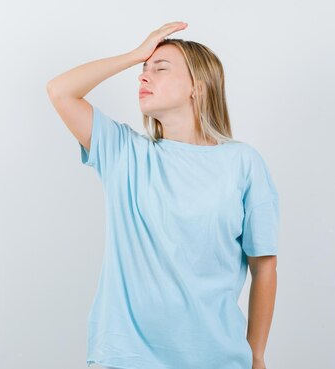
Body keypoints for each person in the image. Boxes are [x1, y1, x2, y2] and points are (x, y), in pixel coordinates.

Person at [46, 22, 278, 369]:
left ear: (197, 88)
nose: (143, 76)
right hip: (124, 359)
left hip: (216, 359)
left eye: (160, 68)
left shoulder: (242, 163)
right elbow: (60, 90)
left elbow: (265, 266)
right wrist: (135, 54)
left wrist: (256, 355)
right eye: (143, 69)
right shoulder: (123, 152)